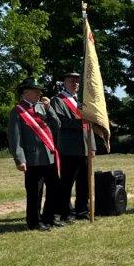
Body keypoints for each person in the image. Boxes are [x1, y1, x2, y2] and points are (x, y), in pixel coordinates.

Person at [8, 77, 61, 231]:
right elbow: (15, 138)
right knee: (34, 192)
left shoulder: (42, 107)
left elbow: (57, 125)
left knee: (53, 188)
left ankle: (49, 217)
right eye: (35, 91)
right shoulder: (17, 111)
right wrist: (19, 159)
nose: (39, 93)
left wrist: (49, 108)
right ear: (25, 92)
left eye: (39, 91)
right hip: (32, 159)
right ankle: (34, 221)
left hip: (49, 156)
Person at [48, 71, 90, 223]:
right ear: (64, 83)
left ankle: (82, 210)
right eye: (71, 81)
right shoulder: (57, 100)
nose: (75, 84)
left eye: (77, 81)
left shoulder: (82, 101)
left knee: (83, 182)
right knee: (67, 182)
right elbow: (60, 122)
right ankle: (65, 211)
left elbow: (89, 125)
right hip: (68, 147)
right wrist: (81, 122)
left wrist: (92, 147)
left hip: (84, 146)